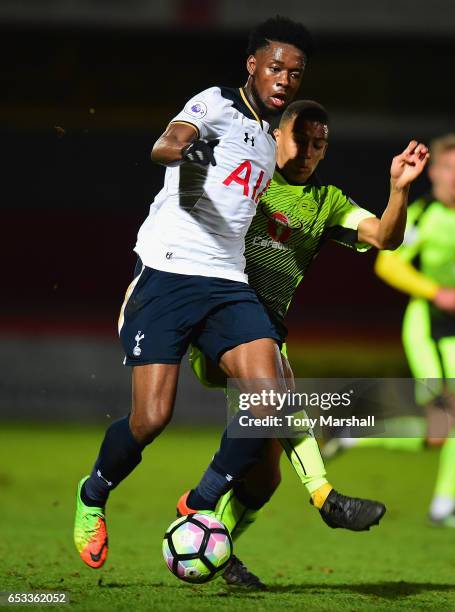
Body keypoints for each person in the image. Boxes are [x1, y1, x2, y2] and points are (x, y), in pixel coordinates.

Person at [73, 15, 312, 570]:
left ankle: (199, 504)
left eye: (295, 73)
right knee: (151, 419)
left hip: (228, 282)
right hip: (169, 271)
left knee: (268, 403)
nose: (284, 79)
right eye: (275, 67)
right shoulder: (217, 104)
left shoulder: (277, 135)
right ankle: (92, 495)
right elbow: (166, 144)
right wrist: (190, 153)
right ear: (252, 65)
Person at [176, 100, 429, 587]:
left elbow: (384, 237)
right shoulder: (250, 178)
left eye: (320, 145)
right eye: (302, 140)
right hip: (215, 318)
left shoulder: (326, 201)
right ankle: (324, 494)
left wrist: (398, 189)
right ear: (276, 136)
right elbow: (189, 202)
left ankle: (215, 545)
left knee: (263, 475)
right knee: (280, 380)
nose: (311, 152)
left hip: (264, 332)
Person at [328, 134, 455, 529]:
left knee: (443, 433)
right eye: (449, 167)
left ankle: (358, 437)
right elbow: (387, 265)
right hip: (427, 327)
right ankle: (443, 506)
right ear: (436, 173)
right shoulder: (424, 215)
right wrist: (435, 290)